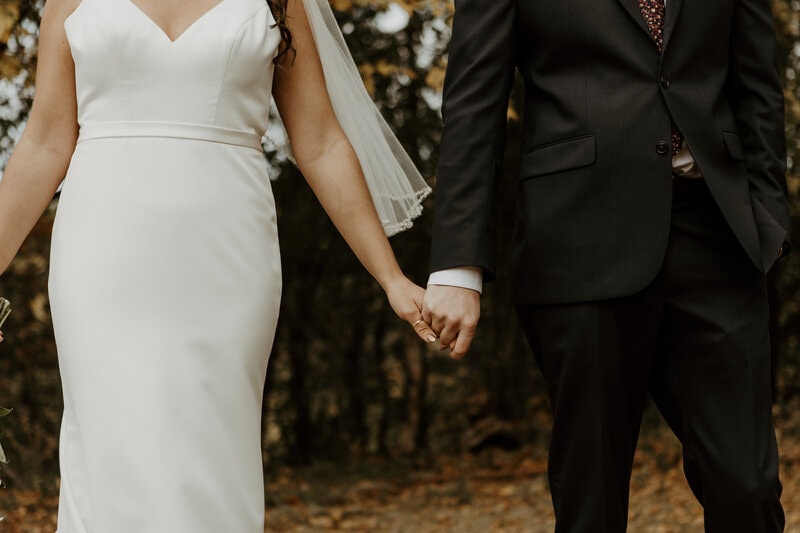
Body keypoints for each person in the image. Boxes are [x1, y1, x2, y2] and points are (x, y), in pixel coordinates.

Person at [0, 0, 436, 530]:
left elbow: (320, 141)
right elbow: (45, 142)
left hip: (229, 254)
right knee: (113, 440)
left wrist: (391, 278)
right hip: (103, 253)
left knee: (211, 445)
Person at [422, 0, 791, 531]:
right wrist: (458, 266)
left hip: (716, 235)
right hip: (579, 238)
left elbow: (758, 84)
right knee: (591, 493)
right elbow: (474, 102)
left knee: (748, 485)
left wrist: (769, 219)